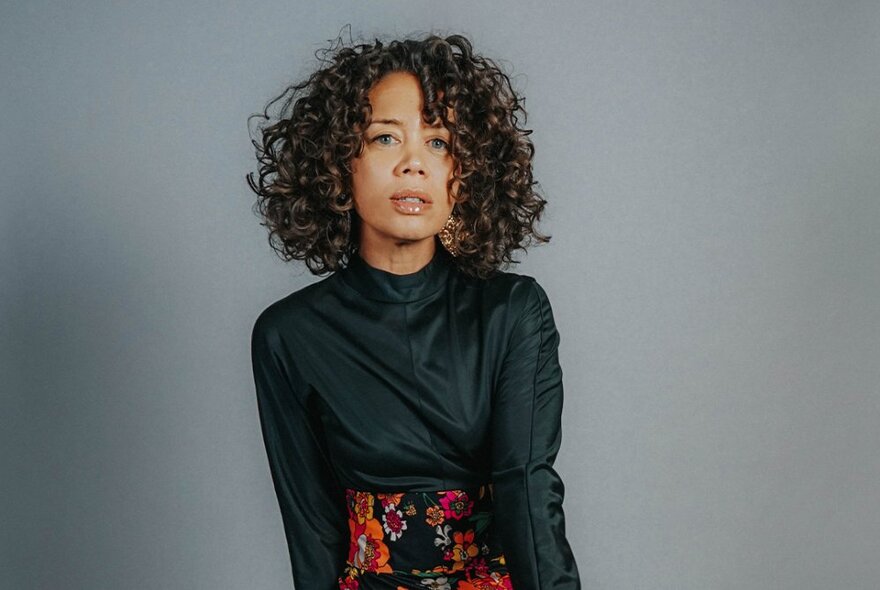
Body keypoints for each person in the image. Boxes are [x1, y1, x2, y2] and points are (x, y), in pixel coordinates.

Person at [247, 31, 581, 590]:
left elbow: (526, 486)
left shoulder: (513, 311)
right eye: (384, 138)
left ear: (465, 174)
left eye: (440, 143)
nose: (413, 165)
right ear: (338, 163)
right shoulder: (289, 334)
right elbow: (312, 527)